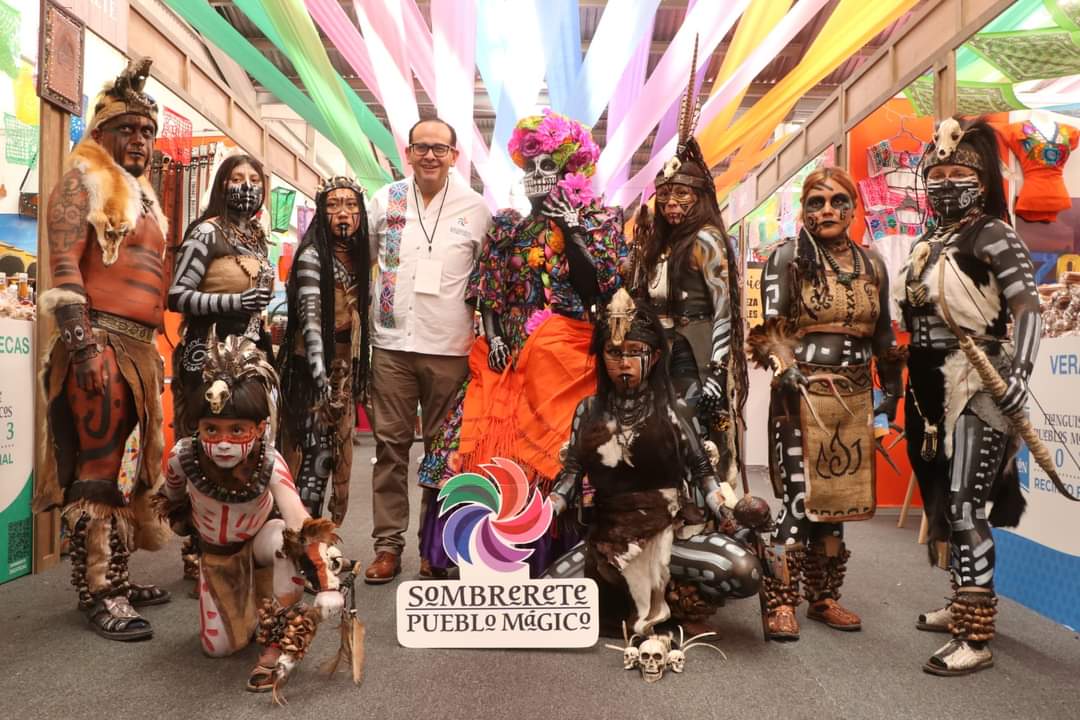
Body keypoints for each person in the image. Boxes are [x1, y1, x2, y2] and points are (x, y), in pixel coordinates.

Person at [416, 110, 625, 578]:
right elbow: (488, 291)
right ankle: (462, 549)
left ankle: (553, 556)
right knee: (467, 437)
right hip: (506, 350)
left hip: (567, 354)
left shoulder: (598, 222)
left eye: (548, 166)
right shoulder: (508, 225)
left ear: (572, 172)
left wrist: (571, 228)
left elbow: (601, 289)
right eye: (529, 167)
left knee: (571, 447)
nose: (535, 177)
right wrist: (492, 337)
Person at [37, 57, 172, 640]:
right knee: (101, 471)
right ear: (101, 132)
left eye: (147, 130)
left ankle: (112, 573)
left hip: (139, 349)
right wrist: (83, 345)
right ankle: (100, 590)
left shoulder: (140, 195)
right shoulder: (82, 180)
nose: (139, 139)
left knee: (133, 467)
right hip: (101, 342)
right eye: (128, 129)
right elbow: (64, 265)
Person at [896, 117, 1036, 676]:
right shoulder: (928, 242)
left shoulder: (996, 234)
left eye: (959, 171)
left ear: (981, 180)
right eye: (938, 172)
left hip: (978, 379)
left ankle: (974, 636)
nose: (945, 181)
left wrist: (1019, 371)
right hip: (928, 381)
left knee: (965, 505)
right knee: (941, 498)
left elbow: (1027, 306)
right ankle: (962, 601)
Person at [546, 290, 761, 636]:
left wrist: (725, 512)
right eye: (614, 353)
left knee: (743, 570)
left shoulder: (674, 410)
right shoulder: (588, 411)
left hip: (669, 536)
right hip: (608, 540)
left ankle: (671, 595)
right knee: (548, 594)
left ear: (656, 355)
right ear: (602, 357)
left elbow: (703, 472)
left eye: (635, 352)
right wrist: (542, 512)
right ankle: (654, 602)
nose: (624, 363)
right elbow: (571, 475)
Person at [749, 166, 903, 641]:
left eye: (838, 201)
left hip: (855, 394)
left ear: (854, 208)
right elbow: (771, 330)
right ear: (804, 211)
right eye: (816, 202)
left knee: (838, 505)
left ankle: (823, 597)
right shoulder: (787, 258)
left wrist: (893, 390)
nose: (828, 211)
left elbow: (882, 334)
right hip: (803, 393)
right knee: (799, 499)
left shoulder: (872, 264)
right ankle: (779, 602)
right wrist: (785, 368)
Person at [158, 333, 346, 692]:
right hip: (216, 557)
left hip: (260, 541)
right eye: (211, 429)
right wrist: (182, 519)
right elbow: (171, 497)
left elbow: (300, 523)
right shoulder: (182, 457)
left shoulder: (270, 461)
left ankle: (276, 645)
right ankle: (245, 609)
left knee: (284, 543)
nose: (224, 442)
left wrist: (326, 579)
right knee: (218, 650)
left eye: (237, 430)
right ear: (196, 428)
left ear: (260, 429)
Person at [364, 119, 492, 583]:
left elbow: (488, 281)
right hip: (392, 344)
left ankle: (433, 549)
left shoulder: (476, 209)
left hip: (450, 347)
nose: (431, 156)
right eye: (422, 147)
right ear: (409, 152)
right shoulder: (386, 201)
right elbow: (366, 263)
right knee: (390, 449)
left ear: (455, 155)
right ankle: (386, 547)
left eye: (440, 148)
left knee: (444, 454)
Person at [631, 57, 747, 495]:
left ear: (698, 196)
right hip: (657, 352)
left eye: (681, 193)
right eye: (664, 195)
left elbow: (724, 311)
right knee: (655, 432)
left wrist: (717, 370)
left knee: (696, 431)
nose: (671, 203)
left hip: (694, 352)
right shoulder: (654, 244)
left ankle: (708, 516)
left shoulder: (707, 241)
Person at [277, 176, 371, 524]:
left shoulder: (360, 259)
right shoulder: (313, 255)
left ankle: (317, 537)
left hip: (341, 371)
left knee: (331, 456)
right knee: (313, 455)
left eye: (351, 205)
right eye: (333, 206)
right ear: (321, 212)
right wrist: (319, 373)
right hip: (310, 371)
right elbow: (311, 319)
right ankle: (303, 536)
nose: (343, 213)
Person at [168, 153, 273, 437]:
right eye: (237, 179)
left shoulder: (257, 238)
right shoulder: (207, 232)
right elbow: (177, 296)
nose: (247, 187)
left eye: (254, 180)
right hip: (208, 347)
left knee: (250, 435)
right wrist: (234, 302)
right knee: (206, 433)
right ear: (221, 185)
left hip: (251, 349)